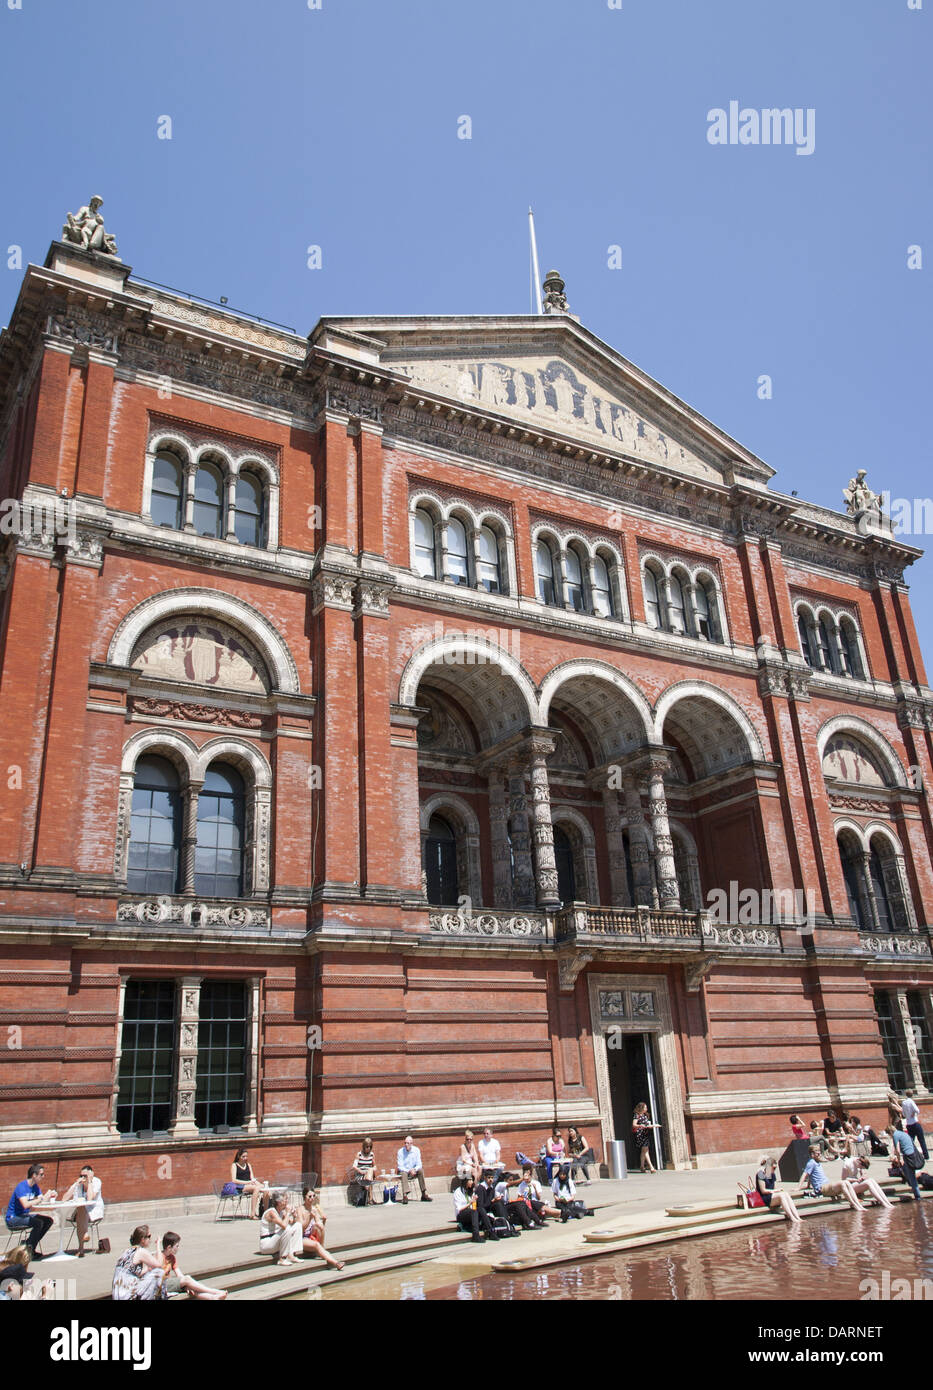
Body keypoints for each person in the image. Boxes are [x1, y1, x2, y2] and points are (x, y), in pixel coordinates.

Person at [5, 1162, 56, 1258]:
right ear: (34, 1175)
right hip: (13, 1218)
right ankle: (30, 1250)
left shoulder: (35, 1187)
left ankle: (28, 1245)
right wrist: (40, 1199)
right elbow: (25, 1205)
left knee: (48, 1221)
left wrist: (49, 1195)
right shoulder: (22, 1186)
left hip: (24, 1216)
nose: (43, 1176)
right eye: (41, 1174)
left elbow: (41, 1199)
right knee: (38, 1223)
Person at [794, 1146, 865, 1211]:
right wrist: (798, 1187)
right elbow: (805, 1174)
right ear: (812, 1154)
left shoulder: (817, 1162)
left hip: (827, 1186)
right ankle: (854, 1204)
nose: (819, 1153)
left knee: (846, 1182)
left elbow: (810, 1175)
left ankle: (856, 1202)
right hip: (822, 1188)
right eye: (816, 1151)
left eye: (819, 1151)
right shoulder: (811, 1162)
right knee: (842, 1183)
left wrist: (808, 1185)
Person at [160, 1232, 227, 1299]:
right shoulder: (159, 1257)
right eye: (177, 1246)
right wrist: (186, 1281)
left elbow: (179, 1275)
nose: (178, 1248)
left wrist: (187, 1284)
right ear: (169, 1247)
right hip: (161, 1285)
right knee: (187, 1279)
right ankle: (214, 1292)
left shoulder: (172, 1258)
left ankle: (212, 1297)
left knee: (190, 1287)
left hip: (170, 1284)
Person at [61, 1163, 105, 1256]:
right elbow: (64, 1198)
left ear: (90, 1175)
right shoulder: (78, 1184)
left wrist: (89, 1182)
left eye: (85, 1175)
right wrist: (75, 1184)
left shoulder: (96, 1182)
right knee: (81, 1209)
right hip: (81, 1214)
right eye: (81, 1175)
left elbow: (90, 1199)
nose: (83, 1178)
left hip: (94, 1211)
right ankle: (84, 1234)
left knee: (81, 1211)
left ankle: (81, 1248)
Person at [112, 1226, 165, 1300]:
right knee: (159, 1272)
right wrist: (158, 1245)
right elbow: (159, 1264)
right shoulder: (140, 1251)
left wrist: (147, 1269)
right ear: (142, 1239)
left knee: (149, 1274)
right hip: (127, 1295)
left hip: (119, 1294)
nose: (150, 1239)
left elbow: (135, 1274)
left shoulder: (127, 1251)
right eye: (149, 1236)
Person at [298, 1189, 345, 1269]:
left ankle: (322, 1249)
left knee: (319, 1226)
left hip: (310, 1237)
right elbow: (300, 1230)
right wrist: (309, 1218)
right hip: (301, 1238)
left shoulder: (314, 1209)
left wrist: (323, 1221)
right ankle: (336, 1263)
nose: (312, 1198)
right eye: (309, 1196)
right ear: (304, 1197)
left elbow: (320, 1227)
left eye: (313, 1196)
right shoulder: (300, 1210)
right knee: (316, 1245)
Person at [258, 1192, 303, 1265]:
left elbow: (292, 1223)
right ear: (279, 1202)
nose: (287, 1202)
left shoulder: (281, 1212)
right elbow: (284, 1226)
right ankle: (282, 1259)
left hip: (276, 1241)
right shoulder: (271, 1212)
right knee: (287, 1229)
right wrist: (288, 1213)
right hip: (267, 1244)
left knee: (297, 1225)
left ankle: (291, 1255)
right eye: (285, 1200)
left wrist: (294, 1215)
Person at [754, 1157, 801, 1222]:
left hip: (771, 1196)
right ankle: (792, 1217)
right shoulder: (761, 1174)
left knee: (785, 1194)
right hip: (764, 1197)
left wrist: (778, 1190)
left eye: (775, 1168)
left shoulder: (773, 1174)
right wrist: (775, 1191)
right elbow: (763, 1190)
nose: (774, 1170)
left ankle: (797, 1217)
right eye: (773, 1168)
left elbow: (774, 1188)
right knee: (781, 1195)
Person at [476, 1169, 518, 1236]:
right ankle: (507, 1227)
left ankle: (508, 1225)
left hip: (490, 1207)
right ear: (484, 1177)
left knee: (500, 1203)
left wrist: (496, 1200)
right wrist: (492, 1201)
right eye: (488, 1178)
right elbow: (481, 1205)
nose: (490, 1180)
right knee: (498, 1204)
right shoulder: (481, 1188)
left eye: (492, 1178)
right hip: (483, 1211)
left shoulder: (492, 1187)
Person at [886, 1124, 923, 1200]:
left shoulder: (895, 1135)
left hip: (908, 1157)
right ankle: (913, 1187)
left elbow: (897, 1150)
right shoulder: (902, 1133)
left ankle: (917, 1195)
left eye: (889, 1134)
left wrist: (899, 1160)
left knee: (911, 1175)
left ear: (890, 1132)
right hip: (913, 1154)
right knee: (906, 1170)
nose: (889, 1136)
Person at [228, 1147, 266, 1219]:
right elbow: (234, 1180)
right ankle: (252, 1214)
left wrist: (259, 1184)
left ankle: (265, 1212)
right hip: (240, 1186)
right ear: (239, 1156)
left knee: (265, 1188)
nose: (245, 1158)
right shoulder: (234, 1165)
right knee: (256, 1189)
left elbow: (252, 1178)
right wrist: (247, 1182)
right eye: (243, 1156)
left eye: (246, 1156)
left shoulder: (248, 1165)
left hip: (249, 1184)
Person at [453, 1176, 496, 1241]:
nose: (472, 1182)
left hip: (470, 1211)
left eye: (472, 1180)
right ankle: (476, 1235)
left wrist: (475, 1201)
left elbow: (474, 1206)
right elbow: (459, 1209)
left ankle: (491, 1232)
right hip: (461, 1214)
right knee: (474, 1212)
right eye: (469, 1180)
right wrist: (470, 1203)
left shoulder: (470, 1191)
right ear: (465, 1181)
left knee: (480, 1209)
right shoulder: (458, 1192)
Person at [396, 1135, 432, 1203]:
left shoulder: (416, 1150)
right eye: (405, 1143)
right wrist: (409, 1170)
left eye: (408, 1143)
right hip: (404, 1171)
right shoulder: (400, 1151)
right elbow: (400, 1166)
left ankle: (424, 1193)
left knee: (421, 1170)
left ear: (411, 1144)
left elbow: (419, 1164)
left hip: (413, 1171)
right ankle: (405, 1195)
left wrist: (414, 1169)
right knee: (403, 1173)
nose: (406, 1145)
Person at [901, 1090, 928, 1162]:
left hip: (909, 1124)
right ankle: (926, 1155)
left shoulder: (903, 1102)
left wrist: (908, 1115)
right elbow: (917, 1110)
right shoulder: (911, 1101)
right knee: (921, 1140)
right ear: (912, 1095)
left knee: (911, 1141)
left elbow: (903, 1114)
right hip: (915, 1123)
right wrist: (913, 1113)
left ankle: (911, 1155)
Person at [633, 1103, 659, 1173]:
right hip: (640, 1134)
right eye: (645, 1107)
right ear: (641, 1108)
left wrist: (652, 1126)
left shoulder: (645, 1115)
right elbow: (634, 1124)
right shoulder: (637, 1115)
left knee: (644, 1151)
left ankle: (642, 1166)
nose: (646, 1109)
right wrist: (640, 1125)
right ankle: (651, 1167)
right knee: (645, 1150)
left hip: (645, 1133)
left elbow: (647, 1124)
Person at [351, 1138, 377, 1205]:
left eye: (370, 1147)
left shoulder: (372, 1155)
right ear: (364, 1146)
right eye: (367, 1147)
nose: (368, 1148)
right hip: (360, 1174)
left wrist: (371, 1170)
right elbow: (354, 1166)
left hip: (368, 1174)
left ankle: (367, 1192)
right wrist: (360, 1171)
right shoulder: (359, 1154)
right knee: (370, 1175)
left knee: (370, 1170)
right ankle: (370, 1198)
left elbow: (375, 1167)